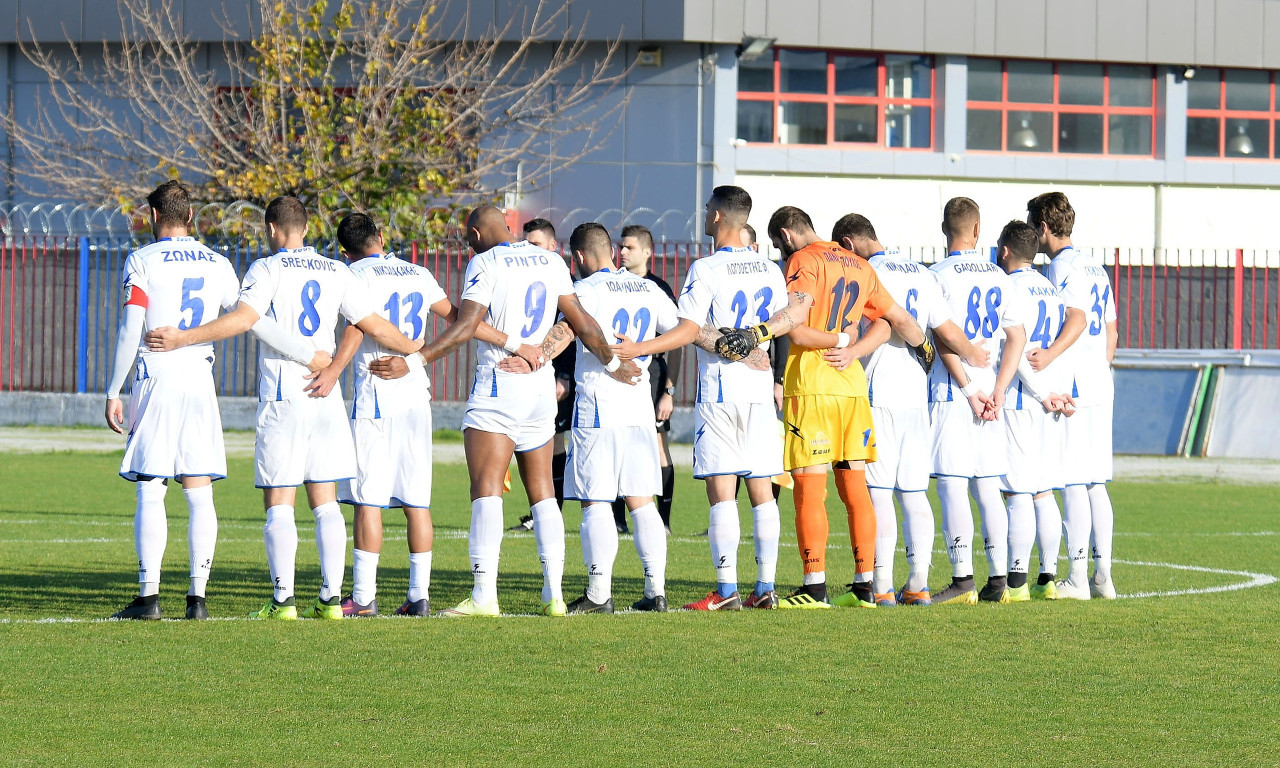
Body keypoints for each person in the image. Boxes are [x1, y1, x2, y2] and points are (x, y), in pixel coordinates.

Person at [144, 196, 422, 620]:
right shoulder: (335, 269)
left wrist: (184, 337)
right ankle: (330, 600)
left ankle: (283, 601)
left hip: (284, 394)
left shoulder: (266, 268)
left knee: (279, 501)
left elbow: (244, 319)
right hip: (326, 391)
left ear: (272, 229)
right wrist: (415, 350)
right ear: (306, 229)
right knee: (326, 502)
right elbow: (374, 325)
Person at [379, 205, 639, 618]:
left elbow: (465, 326)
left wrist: (413, 361)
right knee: (543, 493)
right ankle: (553, 594)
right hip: (540, 385)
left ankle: (484, 596)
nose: (467, 244)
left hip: (500, 382)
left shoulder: (485, 261)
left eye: (468, 237)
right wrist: (612, 363)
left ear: (477, 233)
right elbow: (583, 323)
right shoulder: (550, 260)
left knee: (485, 487)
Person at [104, 181, 326, 620]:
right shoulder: (217, 262)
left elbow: (133, 327)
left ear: (152, 218)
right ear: (191, 217)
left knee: (151, 486)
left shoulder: (142, 259)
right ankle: (197, 599)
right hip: (200, 382)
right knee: (198, 490)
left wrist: (114, 389)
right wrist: (308, 353)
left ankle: (149, 598)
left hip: (158, 374)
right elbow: (252, 321)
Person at [718, 206, 955, 610]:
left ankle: (815, 587)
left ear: (787, 236)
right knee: (855, 487)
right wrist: (867, 348)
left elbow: (795, 324)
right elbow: (895, 320)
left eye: (778, 246)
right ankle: (865, 586)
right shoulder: (858, 266)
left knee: (810, 487)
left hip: (813, 386)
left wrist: (830, 341)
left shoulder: (803, 260)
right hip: (852, 389)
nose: (780, 255)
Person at [612, 185, 785, 611]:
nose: (706, 215)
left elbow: (688, 328)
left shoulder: (706, 269)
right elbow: (782, 324)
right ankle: (765, 588)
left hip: (723, 392)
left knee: (722, 490)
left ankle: (727, 591)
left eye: (708, 209)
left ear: (717, 218)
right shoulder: (769, 269)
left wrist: (640, 348)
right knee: (762, 488)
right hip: (761, 394)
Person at [515, 222, 678, 613]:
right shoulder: (649, 287)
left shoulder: (583, 290)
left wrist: (531, 356)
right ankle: (656, 591)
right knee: (642, 502)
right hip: (639, 408)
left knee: (595, 501)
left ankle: (598, 593)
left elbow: (564, 333)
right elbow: (683, 330)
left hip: (598, 408)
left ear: (580, 258)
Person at [831, 212, 989, 606]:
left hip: (878, 390)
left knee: (879, 493)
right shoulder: (922, 272)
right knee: (914, 493)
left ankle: (881, 585)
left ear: (849, 244)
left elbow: (881, 324)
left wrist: (849, 352)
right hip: (917, 396)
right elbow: (946, 329)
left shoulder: (870, 273)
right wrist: (973, 354)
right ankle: (918, 583)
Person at [305, 213, 448, 617]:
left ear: (344, 251)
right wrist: (420, 355)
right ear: (382, 238)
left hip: (377, 398)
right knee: (417, 500)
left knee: (368, 499)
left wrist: (333, 370)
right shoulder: (418, 273)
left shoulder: (355, 275)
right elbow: (457, 320)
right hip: (417, 397)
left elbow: (356, 328)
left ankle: (364, 597)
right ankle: (419, 596)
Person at [927, 197, 1031, 606]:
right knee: (987, 488)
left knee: (953, 484)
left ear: (943, 228)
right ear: (977, 230)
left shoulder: (936, 275)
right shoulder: (999, 276)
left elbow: (941, 335)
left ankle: (962, 581)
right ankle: (999, 580)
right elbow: (1017, 337)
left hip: (956, 393)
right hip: (991, 394)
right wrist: (1000, 389)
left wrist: (970, 390)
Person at [1026, 192, 1118, 600]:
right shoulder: (1096, 266)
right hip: (1101, 383)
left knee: (1074, 481)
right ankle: (1103, 577)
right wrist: (1099, 369)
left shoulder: (1061, 267)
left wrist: (1049, 356)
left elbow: (1075, 320)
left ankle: (1077, 578)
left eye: (1033, 226)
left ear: (1043, 227)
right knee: (1096, 482)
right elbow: (1111, 331)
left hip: (1078, 386)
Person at [992, 220, 1077, 601]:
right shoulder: (1051, 289)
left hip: (1025, 400)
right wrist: (1058, 393)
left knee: (1018, 492)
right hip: (1050, 403)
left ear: (1006, 250)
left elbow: (1018, 348)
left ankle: (1016, 582)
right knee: (1043, 490)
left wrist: (1042, 393)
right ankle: (1047, 579)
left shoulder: (1009, 287)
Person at [611, 224, 681, 534]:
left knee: (657, 445)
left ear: (647, 252)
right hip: (613, 378)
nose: (622, 252)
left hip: (651, 378)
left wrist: (669, 390)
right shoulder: (610, 284)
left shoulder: (659, 288)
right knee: (615, 445)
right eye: (621, 247)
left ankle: (663, 521)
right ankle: (617, 521)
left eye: (629, 247)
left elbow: (678, 340)